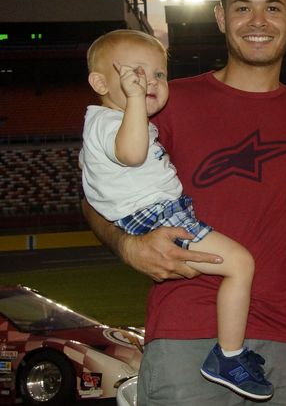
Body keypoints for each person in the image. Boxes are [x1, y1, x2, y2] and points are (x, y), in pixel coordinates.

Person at [82, 0, 286, 405]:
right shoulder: (162, 100)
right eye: (242, 7)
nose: (258, 21)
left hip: (285, 340)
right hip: (186, 335)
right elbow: (95, 193)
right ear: (220, 17)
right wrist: (128, 246)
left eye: (273, 7)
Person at [80, 29, 273, 401]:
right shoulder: (109, 121)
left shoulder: (109, 122)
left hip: (157, 210)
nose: (148, 82)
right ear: (101, 82)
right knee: (241, 263)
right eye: (135, 73)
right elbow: (133, 154)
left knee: (236, 263)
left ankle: (229, 354)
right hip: (155, 214)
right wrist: (136, 101)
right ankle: (228, 356)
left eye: (158, 75)